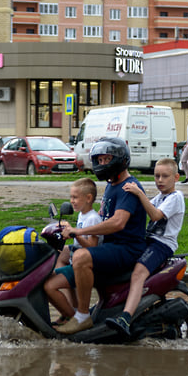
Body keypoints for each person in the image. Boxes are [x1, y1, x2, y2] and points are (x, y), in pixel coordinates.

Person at [46, 137, 148, 335]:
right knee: (63, 254)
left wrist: (79, 231)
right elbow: (101, 218)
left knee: (82, 257)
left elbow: (118, 222)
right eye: (99, 160)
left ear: (120, 159)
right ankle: (73, 311)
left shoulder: (128, 187)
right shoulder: (112, 184)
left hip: (127, 249)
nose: (102, 164)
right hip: (111, 247)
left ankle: (83, 316)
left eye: (106, 159)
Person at [105, 158, 185, 336]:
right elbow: (143, 210)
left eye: (165, 176)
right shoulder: (159, 197)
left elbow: (155, 215)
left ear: (176, 177)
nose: (160, 180)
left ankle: (125, 317)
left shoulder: (176, 197)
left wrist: (139, 193)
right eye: (157, 176)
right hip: (149, 240)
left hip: (162, 245)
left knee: (138, 273)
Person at [56, 177, 102, 268]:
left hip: (86, 262)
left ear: (88, 198)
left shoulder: (93, 219)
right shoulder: (82, 214)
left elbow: (93, 247)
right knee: (57, 254)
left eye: (75, 197)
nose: (71, 201)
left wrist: (75, 234)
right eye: (71, 197)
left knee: (52, 280)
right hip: (76, 254)